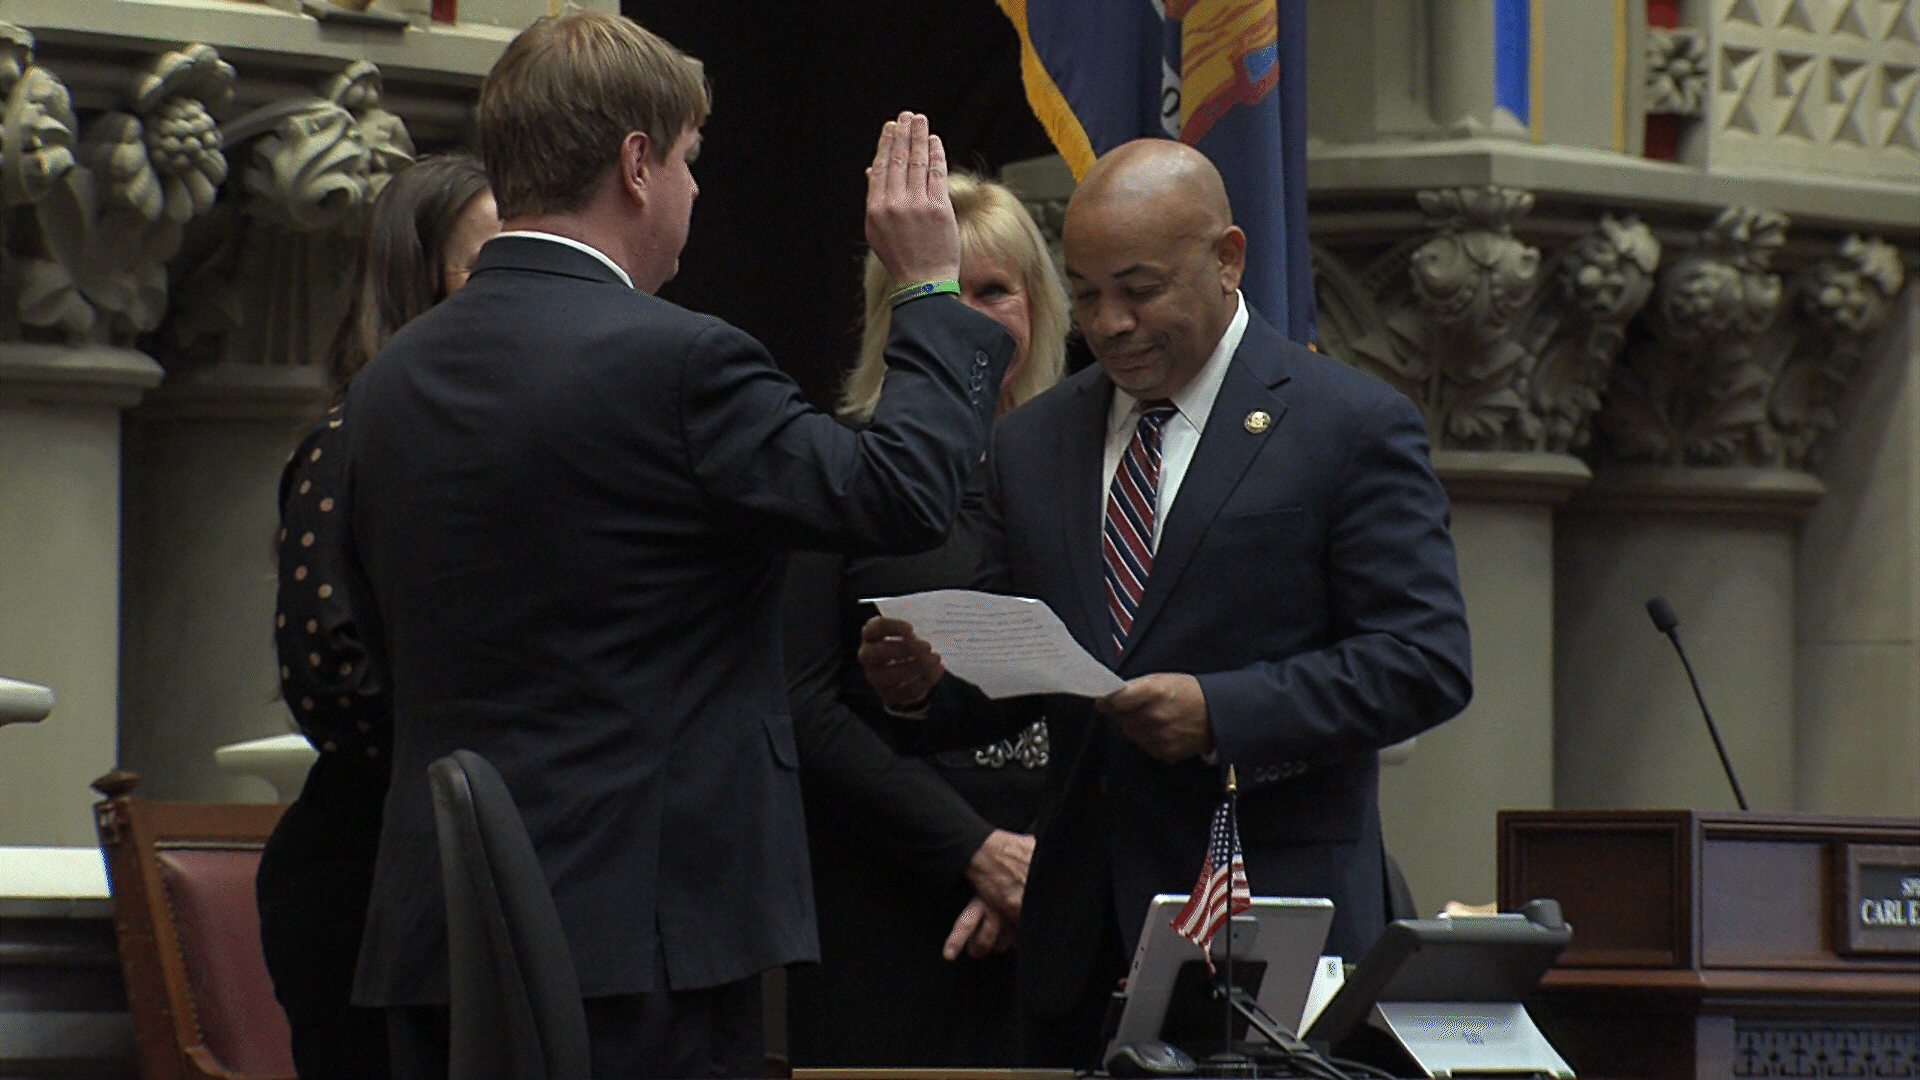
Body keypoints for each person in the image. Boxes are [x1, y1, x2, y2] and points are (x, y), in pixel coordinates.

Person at [339, 11, 1014, 1079]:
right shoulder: (682, 364)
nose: (699, 195)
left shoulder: (384, 390)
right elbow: (902, 496)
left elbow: (367, 649)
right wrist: (928, 287)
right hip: (647, 944)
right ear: (638, 164)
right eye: (693, 163)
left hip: (441, 935)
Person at [858, 138, 1473, 1068]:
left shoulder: (1346, 425)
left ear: (1227, 259)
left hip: (1269, 942)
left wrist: (1223, 711)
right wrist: (921, 684)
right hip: (1079, 953)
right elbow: (1017, 663)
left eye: (1139, 290)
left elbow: (1426, 661)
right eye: (1087, 290)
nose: (1108, 323)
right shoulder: (1033, 442)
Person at [783, 173, 1068, 1068]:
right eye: (947, 294)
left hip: (1064, 897)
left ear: (1040, 305)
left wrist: (1039, 868)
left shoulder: (1103, 471)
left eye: (996, 291)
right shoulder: (837, 467)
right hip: (885, 895)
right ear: (895, 315)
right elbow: (801, 705)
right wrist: (973, 851)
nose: (975, 318)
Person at [258, 153, 497, 1080]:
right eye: (488, 261)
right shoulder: (351, 434)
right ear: (419, 278)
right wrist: (492, 752)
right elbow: (327, 672)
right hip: (365, 878)